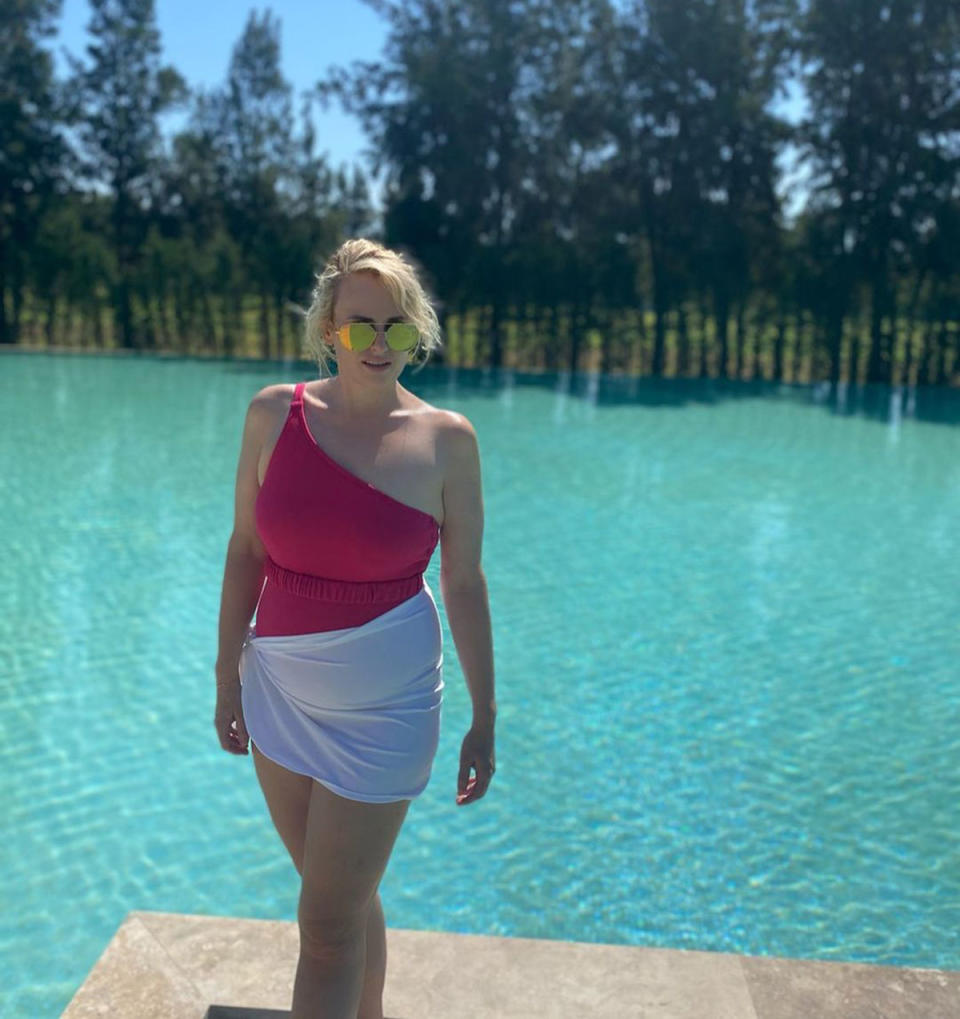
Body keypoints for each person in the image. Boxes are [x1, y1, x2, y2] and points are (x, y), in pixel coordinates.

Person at [212, 237, 496, 1019]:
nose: (379, 344)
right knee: (335, 898)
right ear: (328, 330)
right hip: (279, 690)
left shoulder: (448, 440)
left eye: (396, 327)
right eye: (360, 325)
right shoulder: (273, 415)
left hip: (387, 708)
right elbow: (245, 549)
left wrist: (486, 715)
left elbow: (465, 584)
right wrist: (223, 674)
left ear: (419, 332)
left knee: (326, 922)